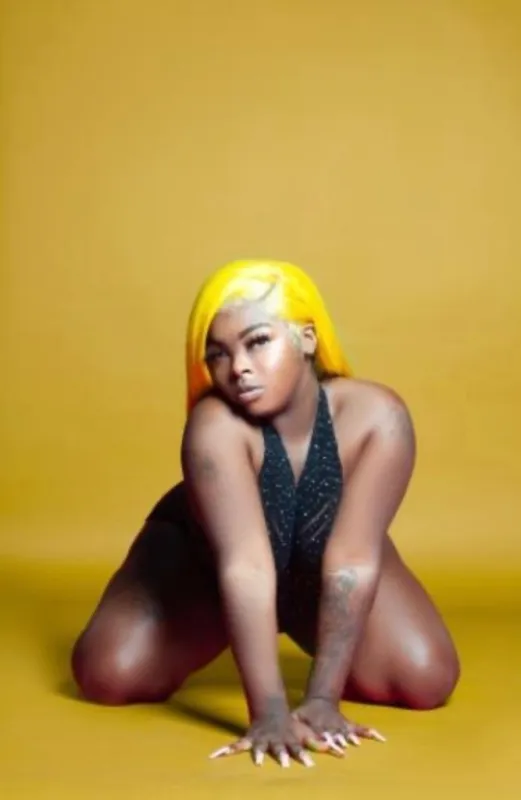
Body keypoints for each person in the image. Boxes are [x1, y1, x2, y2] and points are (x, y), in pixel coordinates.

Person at [71, 259, 460, 768]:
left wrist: (322, 700)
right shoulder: (214, 426)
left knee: (427, 677)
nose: (238, 367)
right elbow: (246, 566)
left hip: (321, 567)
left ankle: (297, 624)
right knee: (108, 673)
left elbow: (352, 559)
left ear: (307, 338)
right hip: (211, 569)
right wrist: (269, 712)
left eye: (257, 342)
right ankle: (224, 611)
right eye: (218, 354)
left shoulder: (377, 416)